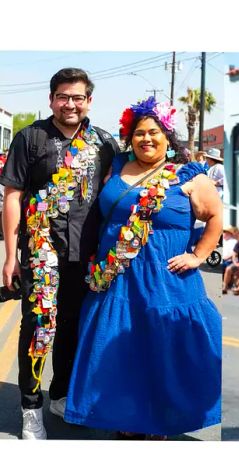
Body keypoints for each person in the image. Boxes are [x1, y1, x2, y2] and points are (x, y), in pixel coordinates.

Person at [63, 96, 222, 438]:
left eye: (154, 132)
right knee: (119, 348)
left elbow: (215, 218)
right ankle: (125, 418)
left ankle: (160, 422)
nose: (146, 139)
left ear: (167, 136)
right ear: (130, 137)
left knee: (163, 348)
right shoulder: (116, 168)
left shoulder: (188, 176)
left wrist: (197, 255)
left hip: (166, 276)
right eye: (139, 133)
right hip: (116, 276)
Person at [0, 68, 119, 439]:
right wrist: (10, 255)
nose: (70, 104)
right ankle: (30, 407)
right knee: (38, 327)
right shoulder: (30, 138)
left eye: (78, 97)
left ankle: (61, 394)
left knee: (72, 327)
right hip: (41, 252)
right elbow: (13, 196)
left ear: (89, 101)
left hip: (86, 254)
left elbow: (116, 192)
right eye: (63, 97)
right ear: (51, 99)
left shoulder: (103, 142)